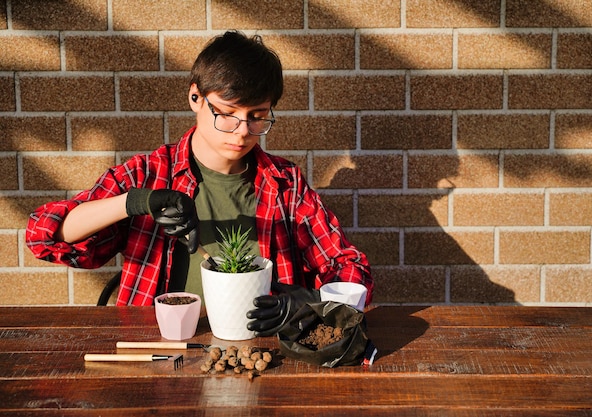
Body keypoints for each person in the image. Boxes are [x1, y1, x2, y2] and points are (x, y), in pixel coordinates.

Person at [26, 30, 373, 336]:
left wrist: (313, 304)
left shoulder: (286, 184)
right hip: (160, 350)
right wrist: (134, 203)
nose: (242, 131)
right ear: (196, 97)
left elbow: (348, 265)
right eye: (226, 113)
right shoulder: (149, 172)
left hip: (262, 354)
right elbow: (42, 234)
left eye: (256, 117)